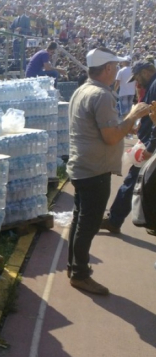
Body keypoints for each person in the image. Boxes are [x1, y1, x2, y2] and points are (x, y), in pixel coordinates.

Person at [67, 48, 151, 295]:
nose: (117, 72)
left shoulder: (82, 89)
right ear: (106, 69)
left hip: (82, 166)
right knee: (88, 224)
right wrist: (133, 115)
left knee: (80, 219)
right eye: (115, 67)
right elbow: (112, 136)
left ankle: (74, 268)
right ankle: (80, 274)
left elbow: (107, 128)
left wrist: (127, 125)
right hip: (94, 169)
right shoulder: (102, 96)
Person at [101, 61, 156, 235]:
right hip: (148, 140)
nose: (137, 82)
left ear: (147, 72)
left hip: (151, 145)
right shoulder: (152, 85)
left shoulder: (154, 85)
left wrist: (150, 146)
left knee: (132, 183)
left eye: (138, 77)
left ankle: (115, 220)